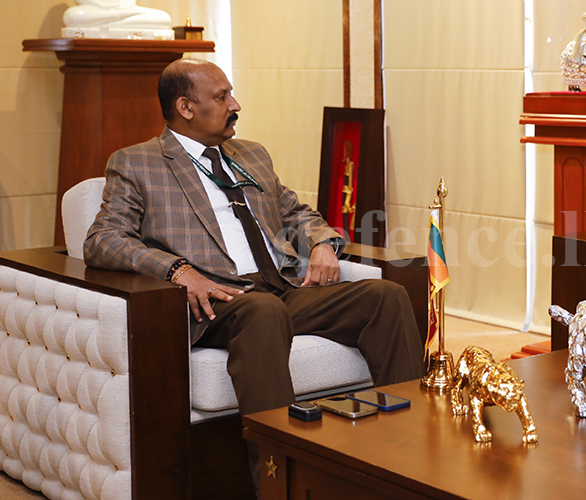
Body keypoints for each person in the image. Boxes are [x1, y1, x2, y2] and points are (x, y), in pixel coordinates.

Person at [83, 58, 424, 491]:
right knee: (262, 312)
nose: (235, 104)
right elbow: (103, 238)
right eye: (222, 97)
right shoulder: (138, 163)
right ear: (185, 107)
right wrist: (177, 269)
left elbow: (295, 212)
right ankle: (279, 481)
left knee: (385, 296)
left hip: (282, 288)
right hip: (217, 300)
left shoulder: (251, 154)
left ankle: (405, 458)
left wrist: (321, 242)